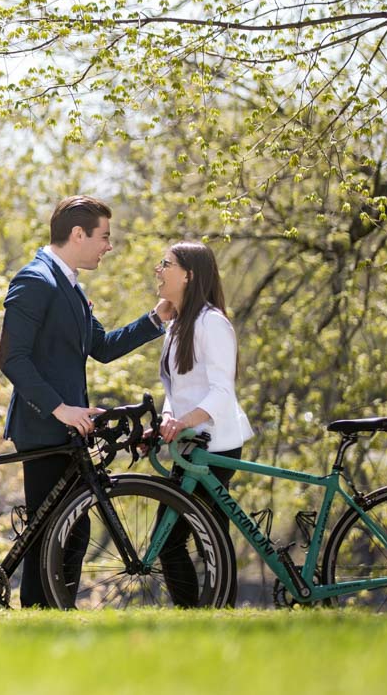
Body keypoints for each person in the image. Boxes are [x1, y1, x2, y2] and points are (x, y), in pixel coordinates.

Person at [0, 195, 174, 608]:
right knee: (53, 537)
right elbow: (11, 358)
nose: (108, 246)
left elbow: (103, 347)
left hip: (69, 430)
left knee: (68, 533)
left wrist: (155, 319)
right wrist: (60, 408)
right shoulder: (35, 280)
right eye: (104, 237)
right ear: (78, 234)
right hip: (44, 428)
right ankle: (42, 616)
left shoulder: (70, 285)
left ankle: (52, 614)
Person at [152, 240, 255, 606]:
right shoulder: (178, 324)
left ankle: (204, 612)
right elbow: (178, 388)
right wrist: (168, 416)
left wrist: (183, 421)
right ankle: (210, 611)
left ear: (189, 275)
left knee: (181, 537)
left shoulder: (211, 323)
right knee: (202, 532)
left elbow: (220, 392)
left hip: (215, 443)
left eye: (166, 264)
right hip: (190, 442)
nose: (158, 271)